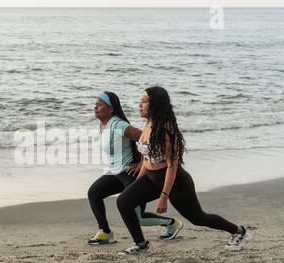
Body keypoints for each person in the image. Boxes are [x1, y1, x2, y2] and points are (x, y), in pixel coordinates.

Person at [116, 86, 251, 254]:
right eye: (139, 102)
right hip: (150, 178)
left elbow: (172, 165)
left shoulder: (166, 129)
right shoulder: (148, 123)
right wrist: (136, 184)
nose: (139, 105)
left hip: (176, 182)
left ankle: (239, 231)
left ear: (156, 104)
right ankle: (141, 245)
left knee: (198, 218)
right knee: (124, 201)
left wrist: (164, 196)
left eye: (143, 102)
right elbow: (145, 157)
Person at [87, 91, 183, 245]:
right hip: (116, 173)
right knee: (94, 193)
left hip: (130, 174)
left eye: (99, 104)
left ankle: (172, 223)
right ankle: (105, 232)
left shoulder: (118, 125)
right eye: (95, 104)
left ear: (110, 109)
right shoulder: (104, 124)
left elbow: (146, 139)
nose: (95, 107)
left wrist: (140, 163)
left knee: (139, 218)